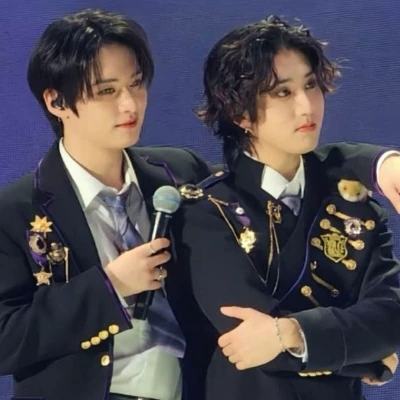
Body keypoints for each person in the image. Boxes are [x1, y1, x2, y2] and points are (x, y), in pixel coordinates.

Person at [0, 8, 399, 400]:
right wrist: (111, 287)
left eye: (136, 84)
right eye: (107, 91)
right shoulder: (15, 210)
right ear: (56, 101)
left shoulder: (178, 174)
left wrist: (378, 164)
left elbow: (278, 157)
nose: (130, 104)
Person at [174, 15, 400, 400]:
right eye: (283, 92)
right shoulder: (206, 211)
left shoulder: (356, 208)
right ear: (240, 113)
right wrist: (372, 358)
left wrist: (291, 333)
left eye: (310, 85)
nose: (306, 106)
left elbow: (391, 316)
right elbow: (250, 342)